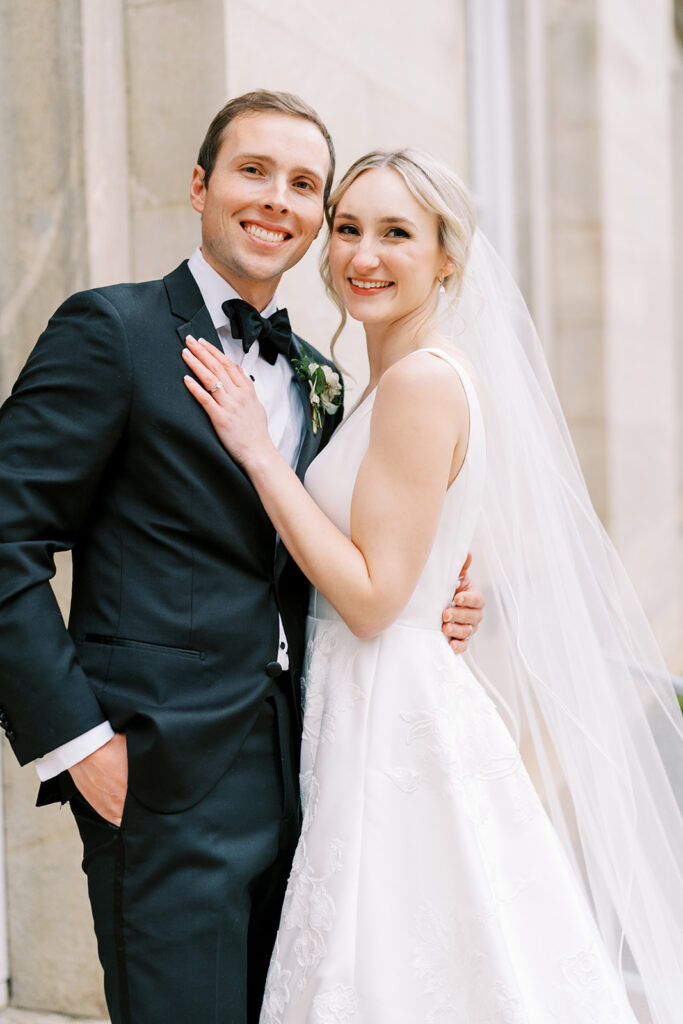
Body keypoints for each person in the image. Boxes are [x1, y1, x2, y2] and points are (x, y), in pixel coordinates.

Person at [0, 93, 484, 1024]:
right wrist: (80, 747)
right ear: (199, 186)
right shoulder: (112, 331)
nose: (276, 199)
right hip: (162, 785)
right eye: (252, 171)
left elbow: (334, 551)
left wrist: (440, 597)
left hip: (313, 784)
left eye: (303, 185)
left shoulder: (323, 378)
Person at [183, 149, 683, 1023]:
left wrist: (261, 455)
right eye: (348, 229)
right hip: (371, 698)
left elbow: (374, 601)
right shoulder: (387, 382)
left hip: (392, 712)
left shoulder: (419, 381)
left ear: (446, 257)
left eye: (396, 233)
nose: (362, 255)